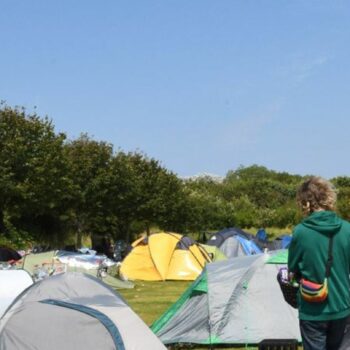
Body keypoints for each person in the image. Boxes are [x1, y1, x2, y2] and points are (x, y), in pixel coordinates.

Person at [288, 176, 350, 350]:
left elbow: (292, 269)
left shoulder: (300, 232)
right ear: (329, 197)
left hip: (312, 309)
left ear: (304, 202)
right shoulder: (347, 229)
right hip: (342, 306)